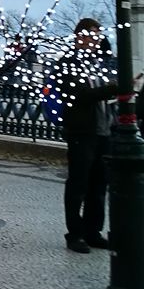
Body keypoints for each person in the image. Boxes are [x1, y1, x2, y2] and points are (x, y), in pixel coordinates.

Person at [46, 18, 118, 253]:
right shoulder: (67, 64)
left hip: (104, 130)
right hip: (82, 132)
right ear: (80, 37)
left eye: (98, 36)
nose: (97, 40)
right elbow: (79, 95)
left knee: (99, 185)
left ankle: (93, 231)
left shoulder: (100, 64)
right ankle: (74, 233)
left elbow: (103, 95)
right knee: (78, 184)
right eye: (92, 35)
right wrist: (114, 88)